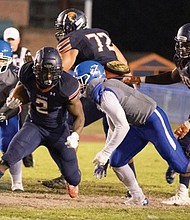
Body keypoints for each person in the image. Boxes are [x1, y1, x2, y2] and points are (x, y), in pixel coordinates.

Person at [41, 7, 138, 189]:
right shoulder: (102, 34)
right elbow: (124, 63)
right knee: (117, 134)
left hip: (100, 89)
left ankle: (69, 177)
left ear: (72, 27)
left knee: (69, 124)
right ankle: (133, 187)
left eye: (63, 28)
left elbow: (62, 68)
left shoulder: (73, 38)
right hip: (122, 88)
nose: (60, 32)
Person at [83, 75, 190, 205]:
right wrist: (107, 153)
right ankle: (138, 198)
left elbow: (122, 126)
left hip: (153, 121)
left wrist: (105, 153)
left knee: (181, 166)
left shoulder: (106, 96)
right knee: (117, 161)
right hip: (137, 126)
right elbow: (113, 126)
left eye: (80, 81)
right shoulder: (105, 89)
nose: (79, 86)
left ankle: (183, 193)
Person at [0, 47, 85, 198]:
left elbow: (79, 116)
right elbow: (23, 90)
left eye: (52, 72)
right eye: (45, 71)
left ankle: (71, 181)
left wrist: (75, 135)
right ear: (36, 69)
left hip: (58, 131)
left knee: (73, 178)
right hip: (35, 126)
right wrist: (15, 99)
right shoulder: (27, 73)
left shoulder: (66, 85)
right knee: (10, 156)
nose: (48, 77)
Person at [136, 23, 190, 205]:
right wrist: (141, 79)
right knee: (183, 145)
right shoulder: (183, 61)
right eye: (181, 44)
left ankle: (179, 173)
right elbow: (172, 77)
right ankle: (182, 189)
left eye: (186, 44)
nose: (182, 48)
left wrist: (189, 123)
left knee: (184, 144)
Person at [3, 27, 34, 168]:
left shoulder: (24, 53)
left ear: (18, 40)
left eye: (12, 40)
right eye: (7, 39)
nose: (10, 43)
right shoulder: (2, 49)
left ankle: (26, 154)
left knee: (22, 124)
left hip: (17, 91)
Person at [0, 39, 23, 191]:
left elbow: (16, 104)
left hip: (7, 114)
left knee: (9, 146)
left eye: (1, 59)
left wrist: (4, 113)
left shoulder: (13, 77)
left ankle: (17, 181)